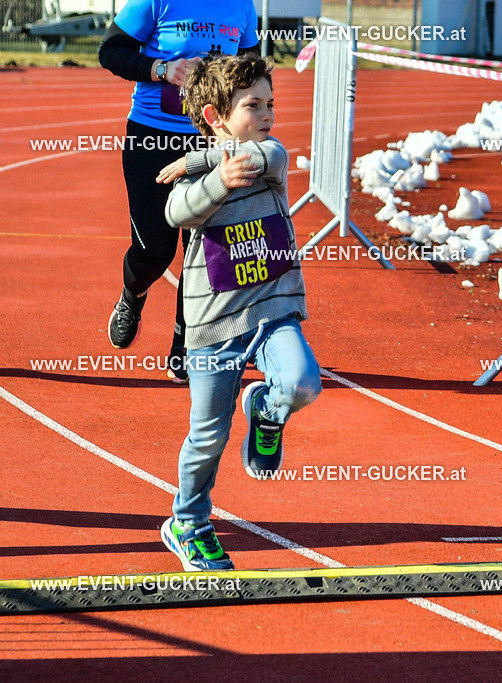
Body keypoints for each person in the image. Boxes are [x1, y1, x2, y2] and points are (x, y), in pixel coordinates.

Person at [156, 53, 322, 570]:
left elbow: (263, 156)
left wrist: (200, 159)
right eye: (253, 105)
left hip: (273, 310)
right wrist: (213, 176)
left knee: (302, 382)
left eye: (271, 103)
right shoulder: (194, 183)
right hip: (213, 324)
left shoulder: (269, 157)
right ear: (214, 116)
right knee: (207, 435)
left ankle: (267, 411)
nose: (267, 114)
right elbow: (175, 211)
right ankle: (190, 523)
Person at [98, 0, 259, 382]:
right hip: (151, 139)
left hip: (212, 142)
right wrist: (161, 69)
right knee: (155, 250)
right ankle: (132, 295)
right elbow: (110, 51)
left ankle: (185, 344)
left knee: (203, 251)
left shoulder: (242, 5)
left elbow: (252, 66)